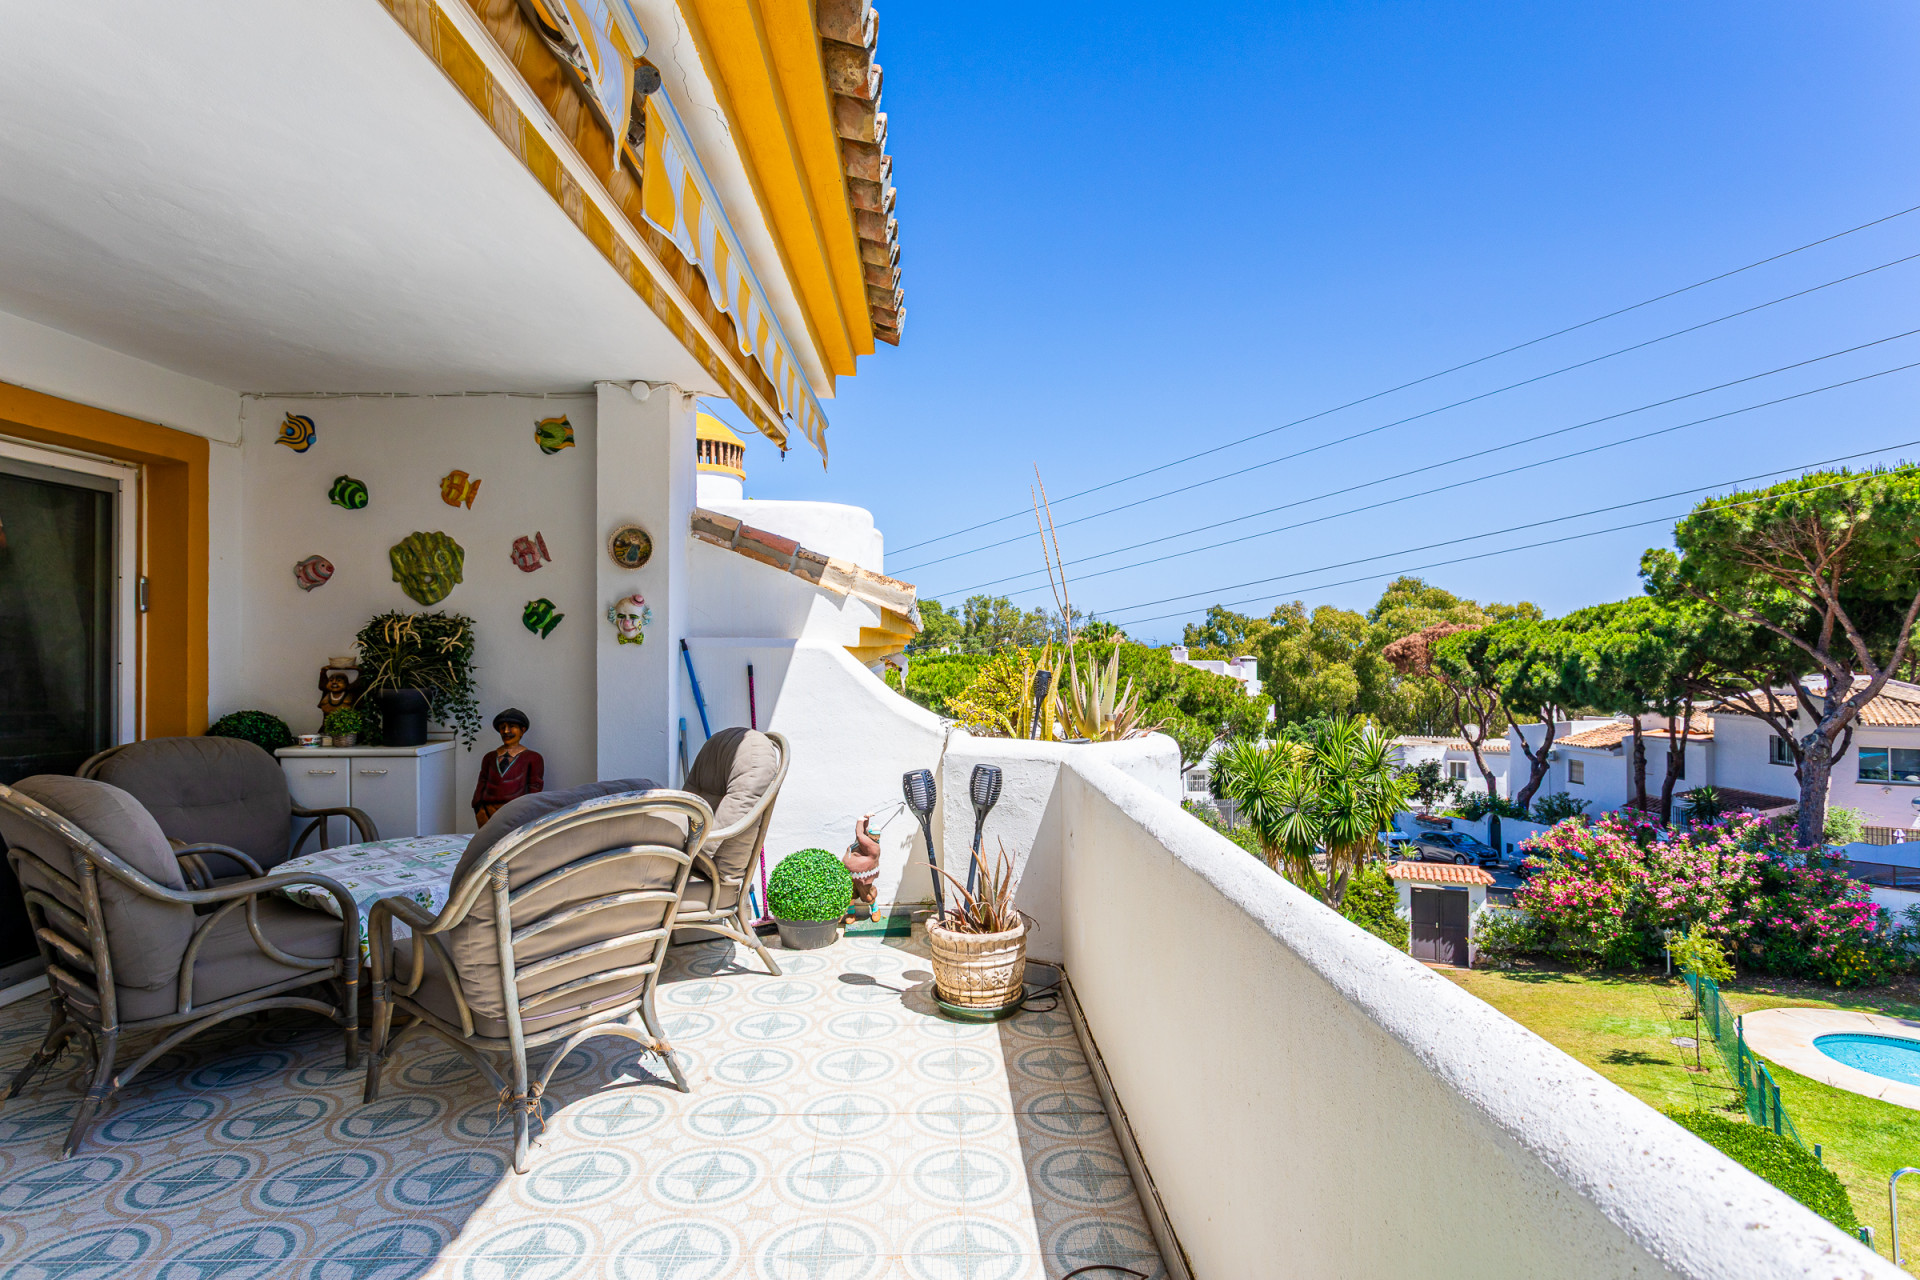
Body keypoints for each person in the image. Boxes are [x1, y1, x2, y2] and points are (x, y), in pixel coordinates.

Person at [472, 708, 544, 826]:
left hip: (517, 812)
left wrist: (528, 811)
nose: (506, 731)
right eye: (502, 727)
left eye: (511, 726)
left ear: (522, 730)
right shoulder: (489, 757)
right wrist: (478, 807)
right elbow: (482, 782)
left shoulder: (533, 758)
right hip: (488, 811)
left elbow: (535, 787)